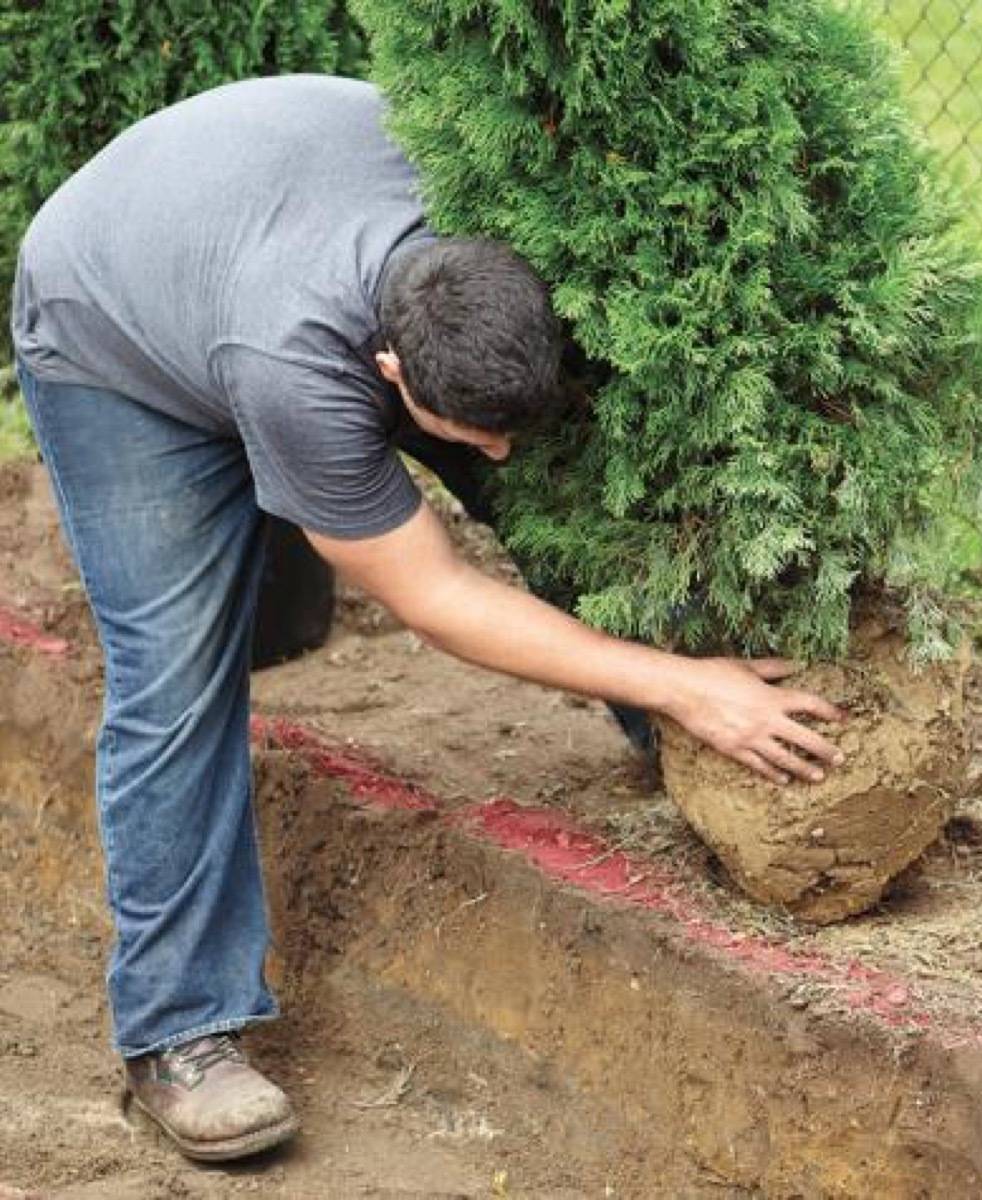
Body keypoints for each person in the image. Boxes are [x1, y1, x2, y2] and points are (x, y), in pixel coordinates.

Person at [10, 75, 844, 1163]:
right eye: (466, 436)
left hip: (260, 223)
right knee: (174, 681)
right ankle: (182, 1034)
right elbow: (435, 599)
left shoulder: (491, 230)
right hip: (109, 326)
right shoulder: (297, 369)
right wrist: (681, 678)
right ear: (390, 370)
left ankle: (684, 743)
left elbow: (510, 439)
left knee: (555, 495)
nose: (489, 456)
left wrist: (669, 672)